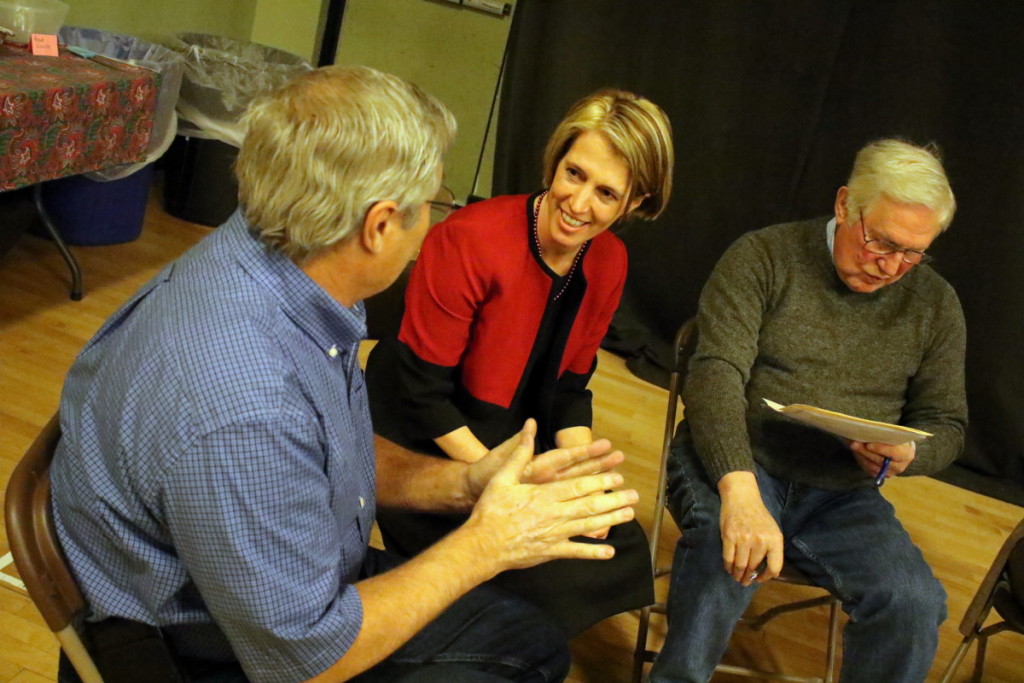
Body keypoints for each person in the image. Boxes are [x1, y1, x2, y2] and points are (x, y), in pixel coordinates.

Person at [49, 65, 641, 683]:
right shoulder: (246, 409)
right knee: (528, 654)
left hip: (270, 588)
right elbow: (304, 658)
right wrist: (487, 544)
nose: (431, 228)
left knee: (530, 639)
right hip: (209, 649)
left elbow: (325, 455)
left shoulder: (280, 260)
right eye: (430, 207)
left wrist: (469, 484)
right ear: (380, 225)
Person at [649, 139, 966, 683]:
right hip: (739, 461)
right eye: (880, 242)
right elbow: (716, 374)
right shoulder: (764, 257)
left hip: (841, 493)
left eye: (913, 253)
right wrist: (740, 489)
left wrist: (909, 452)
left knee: (913, 604)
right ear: (845, 205)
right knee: (728, 557)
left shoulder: (935, 304)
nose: (892, 266)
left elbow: (949, 424)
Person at [364, 88, 674, 635]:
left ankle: (509, 638)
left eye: (606, 193)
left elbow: (570, 389)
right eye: (574, 174)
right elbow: (421, 393)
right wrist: (507, 481)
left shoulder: (609, 259)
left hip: (517, 427)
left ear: (634, 203)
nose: (579, 204)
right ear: (556, 160)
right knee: (520, 566)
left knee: (610, 539)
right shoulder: (467, 240)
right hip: (423, 426)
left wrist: (581, 477)